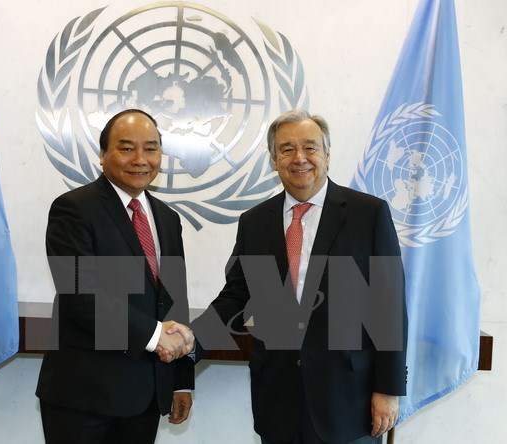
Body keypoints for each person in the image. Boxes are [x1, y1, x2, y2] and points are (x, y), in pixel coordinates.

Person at [180, 110, 407, 443]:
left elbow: (389, 308)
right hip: (278, 399)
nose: (299, 157)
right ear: (274, 160)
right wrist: (191, 341)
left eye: (310, 147)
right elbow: (236, 298)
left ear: (327, 155)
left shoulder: (368, 214)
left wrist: (388, 389)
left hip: (348, 400)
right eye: (287, 149)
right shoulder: (255, 222)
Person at [36, 109, 195, 444]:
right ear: (103, 155)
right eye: (126, 148)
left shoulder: (167, 219)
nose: (140, 159)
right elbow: (81, 296)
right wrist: (155, 335)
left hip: (146, 397)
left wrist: (180, 379)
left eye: (151, 149)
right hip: (83, 398)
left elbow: (172, 302)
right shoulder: (74, 209)